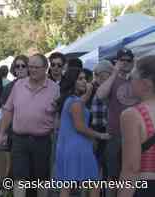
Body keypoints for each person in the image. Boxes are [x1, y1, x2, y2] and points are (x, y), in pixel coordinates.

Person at [0, 54, 60, 197]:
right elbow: (8, 110)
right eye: (30, 67)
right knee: (19, 179)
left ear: (45, 68)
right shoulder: (18, 85)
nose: (32, 70)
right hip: (19, 139)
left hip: (42, 141)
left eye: (36, 67)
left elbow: (58, 115)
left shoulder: (54, 89)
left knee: (41, 180)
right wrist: (1, 134)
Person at [55, 68, 110, 197]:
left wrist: (89, 92)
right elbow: (80, 127)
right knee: (93, 184)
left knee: (67, 184)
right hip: (78, 146)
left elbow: (80, 105)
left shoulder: (71, 100)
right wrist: (100, 135)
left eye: (85, 78)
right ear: (72, 81)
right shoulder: (75, 102)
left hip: (67, 146)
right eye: (80, 79)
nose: (84, 81)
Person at [96, 48, 139, 197]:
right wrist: (115, 72)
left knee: (133, 174)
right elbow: (100, 95)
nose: (125, 63)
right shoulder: (112, 80)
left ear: (133, 62)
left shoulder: (138, 80)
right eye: (122, 60)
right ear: (117, 62)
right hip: (115, 134)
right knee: (113, 176)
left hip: (136, 135)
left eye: (129, 60)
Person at [118, 55, 155, 197]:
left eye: (132, 77)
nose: (130, 82)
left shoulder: (132, 115)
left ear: (146, 83)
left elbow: (131, 168)